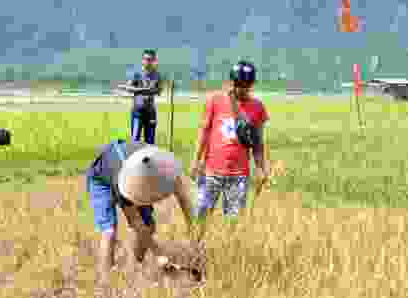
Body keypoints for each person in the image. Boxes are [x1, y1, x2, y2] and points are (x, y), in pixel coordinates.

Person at [85, 138, 196, 281]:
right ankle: (105, 281)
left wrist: (194, 233)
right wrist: (159, 254)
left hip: (130, 169)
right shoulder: (123, 180)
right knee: (109, 231)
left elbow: (184, 199)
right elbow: (136, 222)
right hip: (100, 178)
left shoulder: (164, 166)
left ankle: (135, 266)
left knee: (149, 226)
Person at [190, 60, 271, 227]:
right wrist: (196, 161)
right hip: (211, 172)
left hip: (238, 176)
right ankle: (194, 251)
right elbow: (204, 132)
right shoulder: (215, 101)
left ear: (252, 84)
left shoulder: (257, 107)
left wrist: (261, 168)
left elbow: (257, 143)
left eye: (246, 84)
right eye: (238, 83)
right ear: (231, 82)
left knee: (233, 223)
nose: (241, 88)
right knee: (199, 217)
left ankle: (229, 251)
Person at [119, 49, 162, 145]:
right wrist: (145, 90)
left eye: (151, 59)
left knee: (150, 143)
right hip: (138, 112)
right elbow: (129, 88)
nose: (148, 62)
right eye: (146, 59)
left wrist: (141, 90)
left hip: (150, 113)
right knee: (135, 141)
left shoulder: (157, 75)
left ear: (154, 61)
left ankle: (148, 160)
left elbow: (158, 91)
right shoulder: (137, 74)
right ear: (142, 60)